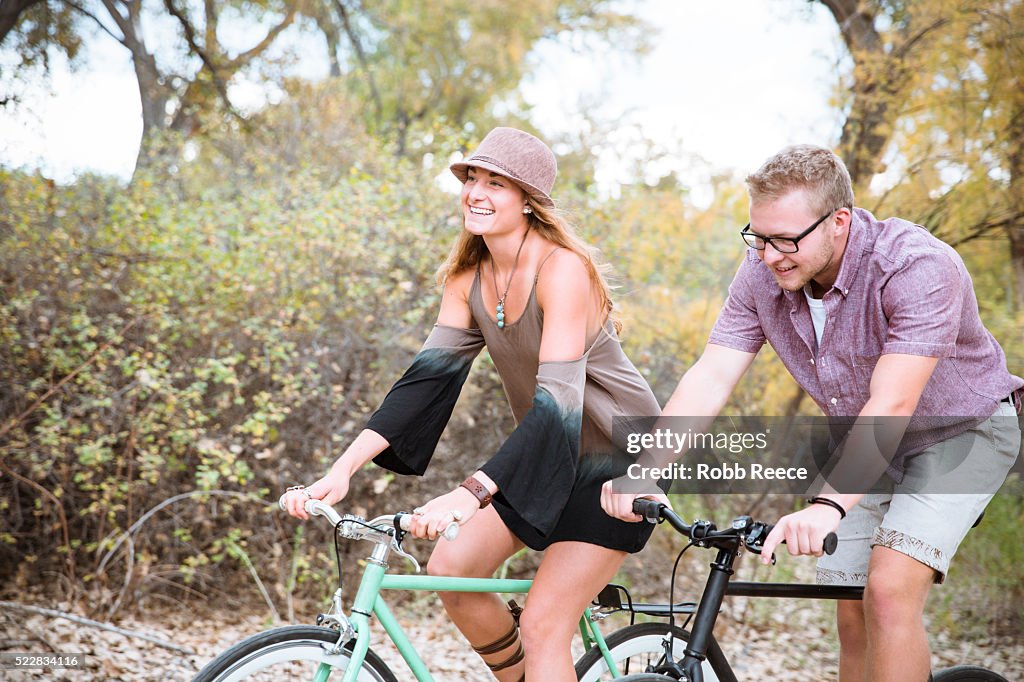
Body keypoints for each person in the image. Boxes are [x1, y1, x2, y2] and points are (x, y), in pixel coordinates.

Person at [603, 145, 1022, 682]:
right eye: (758, 237)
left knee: (889, 592)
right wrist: (646, 469)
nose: (771, 255)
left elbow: (893, 402)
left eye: (786, 239)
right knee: (849, 607)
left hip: (963, 435)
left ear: (839, 221)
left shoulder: (917, 266)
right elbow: (712, 375)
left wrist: (827, 505)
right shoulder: (761, 271)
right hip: (864, 438)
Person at [282, 126, 666, 682]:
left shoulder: (562, 270)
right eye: (472, 179)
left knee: (542, 628)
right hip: (550, 455)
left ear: (529, 201)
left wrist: (471, 492)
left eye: (496, 183)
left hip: (618, 459)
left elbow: (559, 402)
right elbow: (423, 386)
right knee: (452, 572)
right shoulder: (468, 278)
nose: (476, 192)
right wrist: (342, 470)